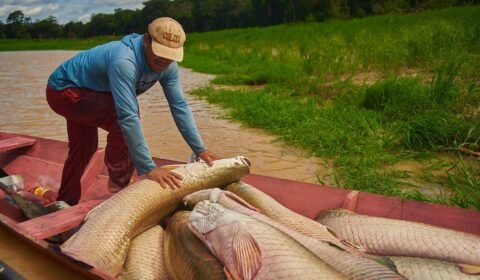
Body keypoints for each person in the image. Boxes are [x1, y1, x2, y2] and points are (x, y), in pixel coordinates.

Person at [46, 17, 219, 206]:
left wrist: (200, 149)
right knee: (123, 119)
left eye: (170, 56)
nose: (164, 61)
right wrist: (149, 168)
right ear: (146, 40)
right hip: (64, 91)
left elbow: (179, 106)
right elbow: (127, 117)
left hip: (92, 91)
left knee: (85, 147)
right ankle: (118, 184)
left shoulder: (169, 67)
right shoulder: (125, 61)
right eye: (160, 53)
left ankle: (65, 201)